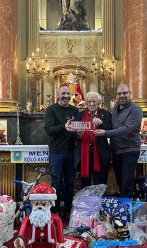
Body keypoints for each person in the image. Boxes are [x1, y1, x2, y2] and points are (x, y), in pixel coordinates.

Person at [94, 84, 143, 198]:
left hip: (129, 151)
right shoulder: (115, 109)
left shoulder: (136, 110)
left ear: (130, 94)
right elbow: (111, 126)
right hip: (116, 151)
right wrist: (101, 123)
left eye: (125, 93)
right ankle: (122, 210)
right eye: (119, 93)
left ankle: (127, 212)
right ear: (116, 96)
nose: (122, 96)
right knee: (120, 183)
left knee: (127, 183)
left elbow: (126, 129)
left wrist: (105, 133)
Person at [44, 85, 79, 215]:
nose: (66, 96)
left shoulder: (75, 111)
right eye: (63, 93)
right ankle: (55, 211)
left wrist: (79, 133)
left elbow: (78, 129)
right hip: (56, 152)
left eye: (68, 94)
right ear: (58, 95)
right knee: (56, 183)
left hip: (71, 152)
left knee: (70, 183)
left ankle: (69, 211)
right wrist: (64, 127)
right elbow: (49, 129)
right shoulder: (51, 110)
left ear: (71, 96)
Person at [71, 92, 112, 188]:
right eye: (89, 101)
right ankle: (84, 203)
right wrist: (78, 134)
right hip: (83, 155)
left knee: (100, 183)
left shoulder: (105, 114)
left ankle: (98, 202)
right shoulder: (79, 115)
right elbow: (73, 134)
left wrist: (101, 123)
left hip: (100, 154)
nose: (92, 104)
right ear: (86, 102)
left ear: (99, 103)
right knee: (84, 184)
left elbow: (111, 130)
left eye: (94, 101)